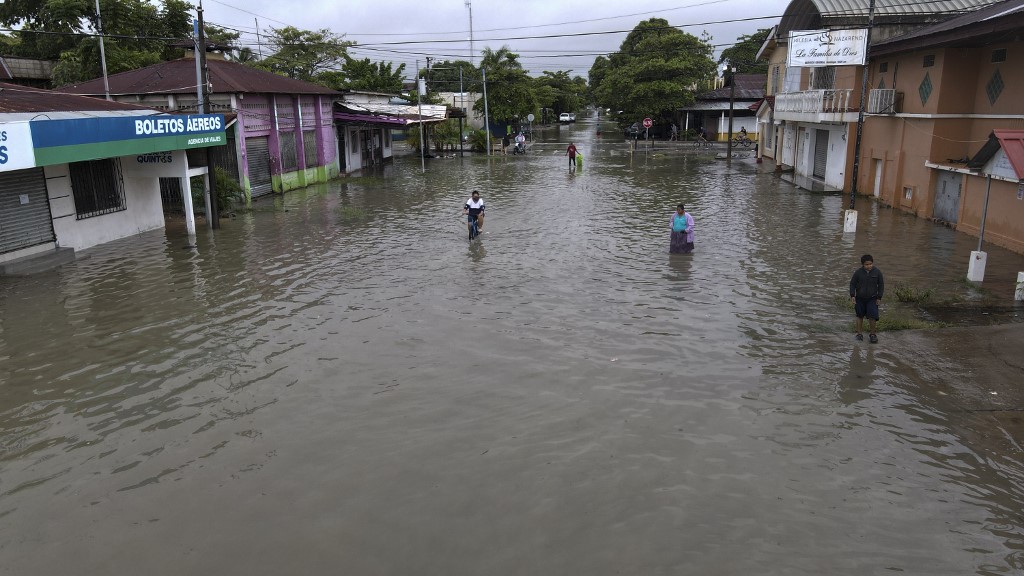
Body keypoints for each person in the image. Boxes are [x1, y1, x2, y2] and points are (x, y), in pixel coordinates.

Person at [849, 254, 884, 343]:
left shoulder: (877, 272)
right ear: (862, 264)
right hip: (859, 298)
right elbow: (852, 284)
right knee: (859, 316)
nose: (869, 266)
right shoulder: (858, 273)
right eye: (866, 264)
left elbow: (881, 285)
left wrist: (879, 297)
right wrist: (852, 295)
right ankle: (859, 334)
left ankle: (873, 334)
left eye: (870, 264)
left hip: (872, 299)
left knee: (872, 317)